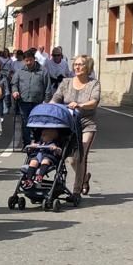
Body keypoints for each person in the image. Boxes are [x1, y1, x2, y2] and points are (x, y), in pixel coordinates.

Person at [51, 54, 101, 199]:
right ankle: (84, 177)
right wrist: (48, 106)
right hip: (68, 124)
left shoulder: (94, 84)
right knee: (71, 159)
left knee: (80, 155)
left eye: (81, 64)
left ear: (88, 68)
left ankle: (76, 191)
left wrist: (80, 105)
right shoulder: (66, 82)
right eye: (75, 64)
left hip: (86, 124)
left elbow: (94, 101)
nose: (77, 67)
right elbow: (56, 99)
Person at [10, 49, 51, 150]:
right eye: (26, 61)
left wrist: (46, 101)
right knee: (25, 123)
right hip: (23, 101)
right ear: (24, 60)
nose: (28, 63)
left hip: (38, 102)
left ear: (34, 59)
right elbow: (14, 84)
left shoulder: (43, 71)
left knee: (38, 123)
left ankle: (38, 141)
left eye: (30, 60)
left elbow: (47, 87)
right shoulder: (20, 72)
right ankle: (26, 143)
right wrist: (15, 91)